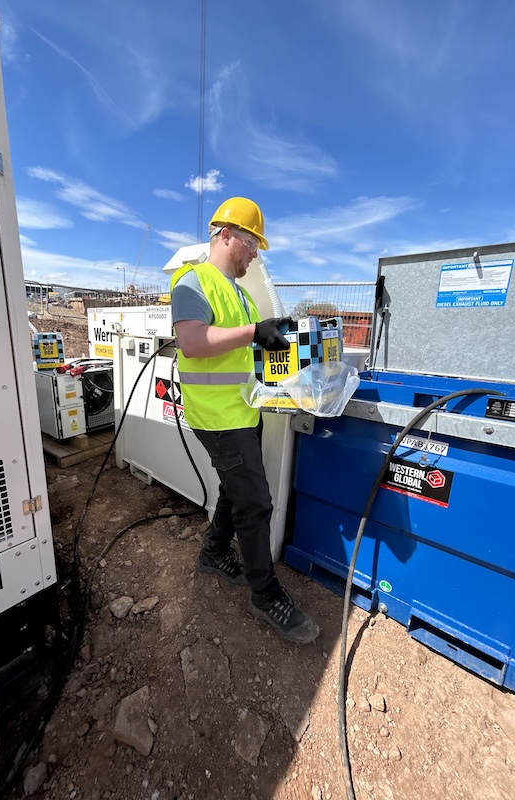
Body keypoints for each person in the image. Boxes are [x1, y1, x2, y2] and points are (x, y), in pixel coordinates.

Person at [170, 197, 319, 645]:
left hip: (243, 411)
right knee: (254, 503)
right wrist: (256, 331)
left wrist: (292, 352)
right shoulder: (192, 281)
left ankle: (214, 552)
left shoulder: (239, 294)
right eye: (253, 242)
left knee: (236, 493)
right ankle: (265, 592)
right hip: (217, 418)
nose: (256, 253)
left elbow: (250, 355)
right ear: (227, 234)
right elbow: (193, 342)